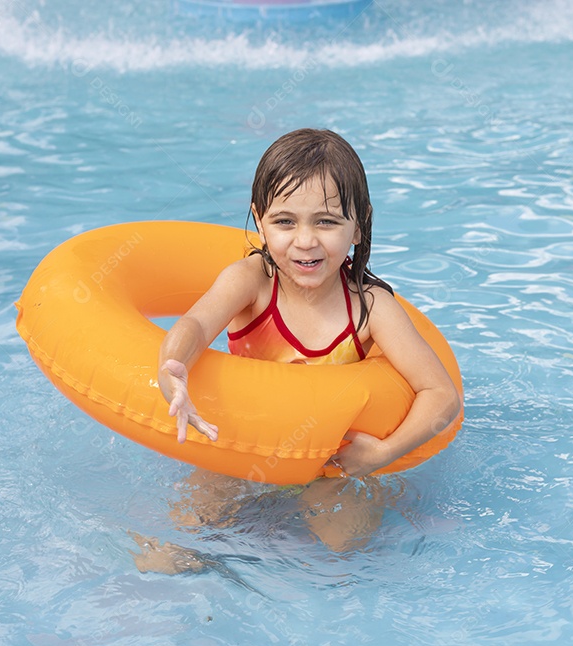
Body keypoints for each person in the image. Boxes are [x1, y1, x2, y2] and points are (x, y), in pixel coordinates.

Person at [153, 128, 461, 552]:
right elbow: (195, 326)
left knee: (338, 560)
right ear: (259, 220)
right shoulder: (252, 282)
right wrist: (175, 368)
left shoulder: (370, 308)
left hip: (328, 471)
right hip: (241, 455)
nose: (305, 240)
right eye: (284, 221)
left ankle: (393, 502)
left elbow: (441, 394)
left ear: (358, 225)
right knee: (172, 548)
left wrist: (384, 454)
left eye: (326, 221)